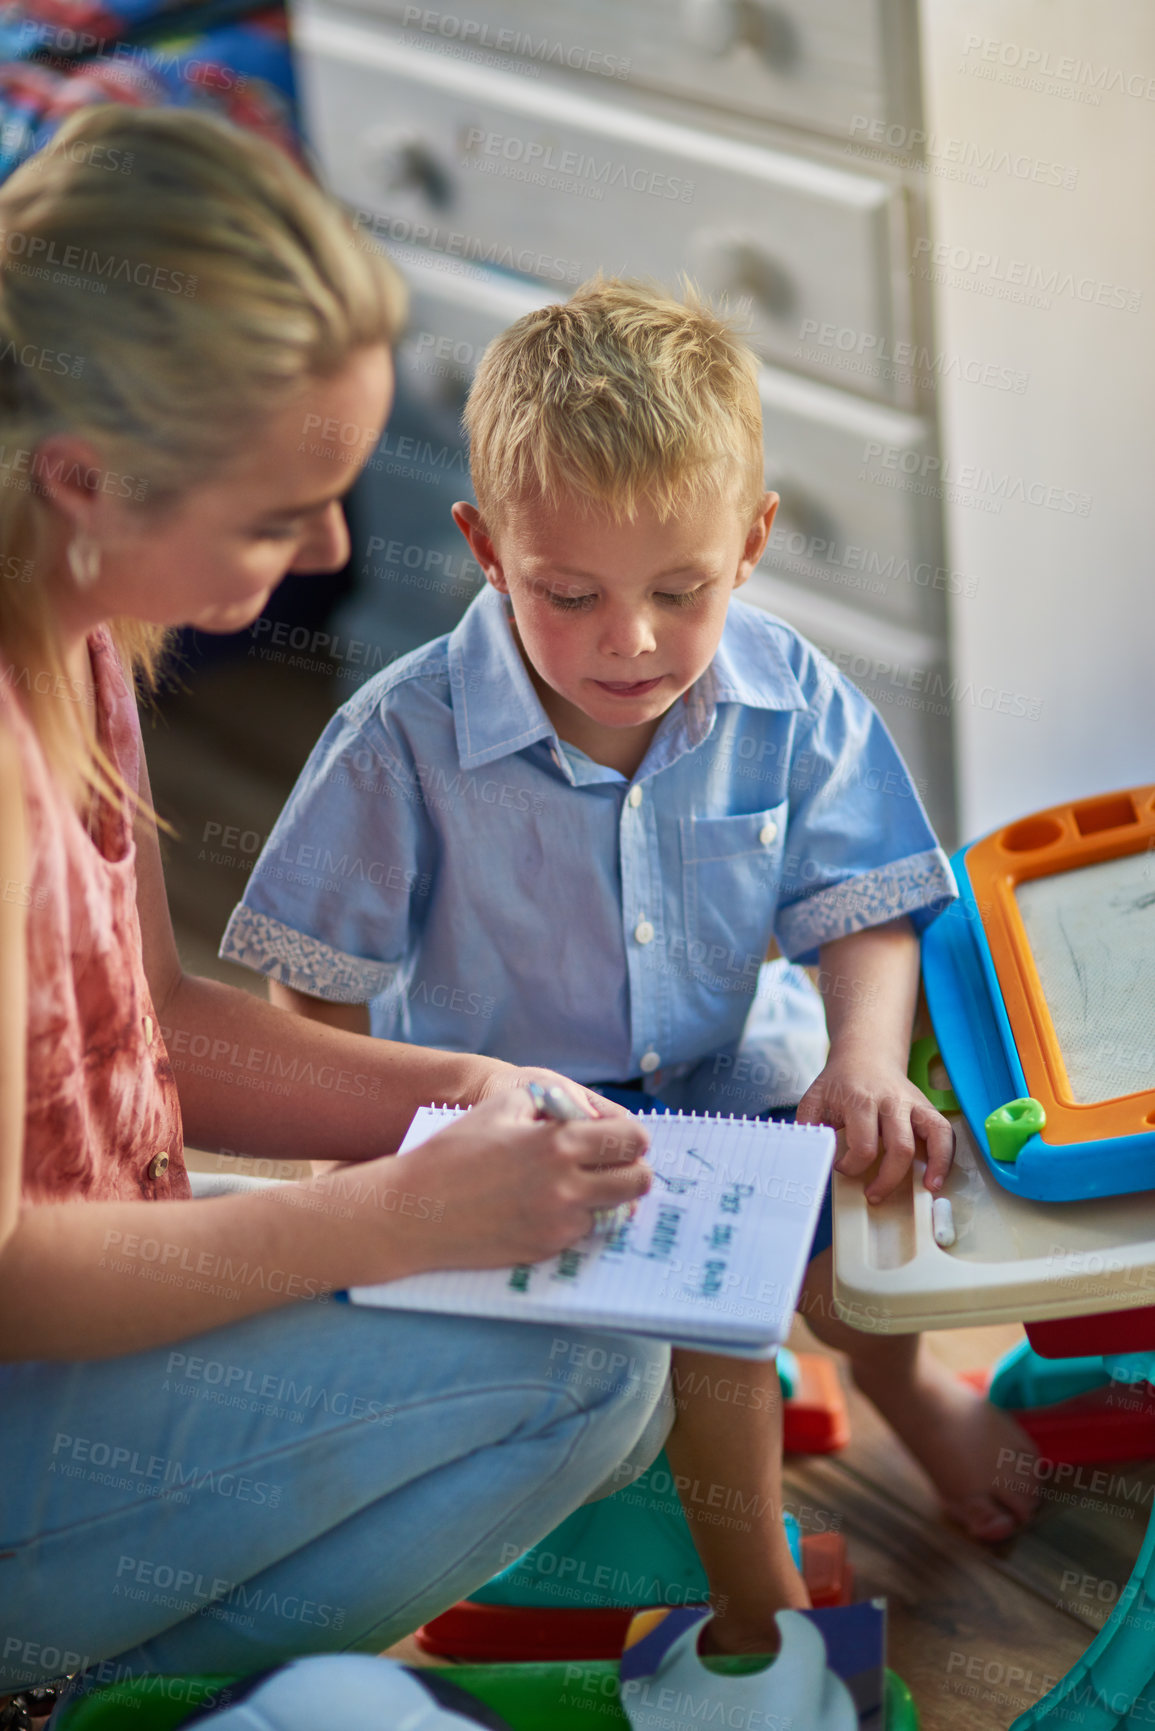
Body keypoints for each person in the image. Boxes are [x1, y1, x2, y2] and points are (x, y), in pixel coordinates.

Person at [222, 276, 1040, 1654]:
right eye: (571, 593)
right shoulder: (399, 740)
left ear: (755, 542)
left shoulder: (788, 692)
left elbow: (866, 904)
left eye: (682, 589)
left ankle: (899, 1382)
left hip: (744, 1067)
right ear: (486, 549)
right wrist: (349, 1179)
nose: (633, 641)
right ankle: (754, 1615)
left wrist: (856, 1062)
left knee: (874, 1220)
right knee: (714, 1336)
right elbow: (315, 973)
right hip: (525, 1117)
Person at [0, 111, 673, 1709]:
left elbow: (141, 1022)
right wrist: (393, 1220)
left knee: (608, 1337)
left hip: (71, 1314)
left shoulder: (72, 614)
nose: (334, 550)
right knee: (583, 1361)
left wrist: (453, 1097)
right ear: (82, 474)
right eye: (271, 515)